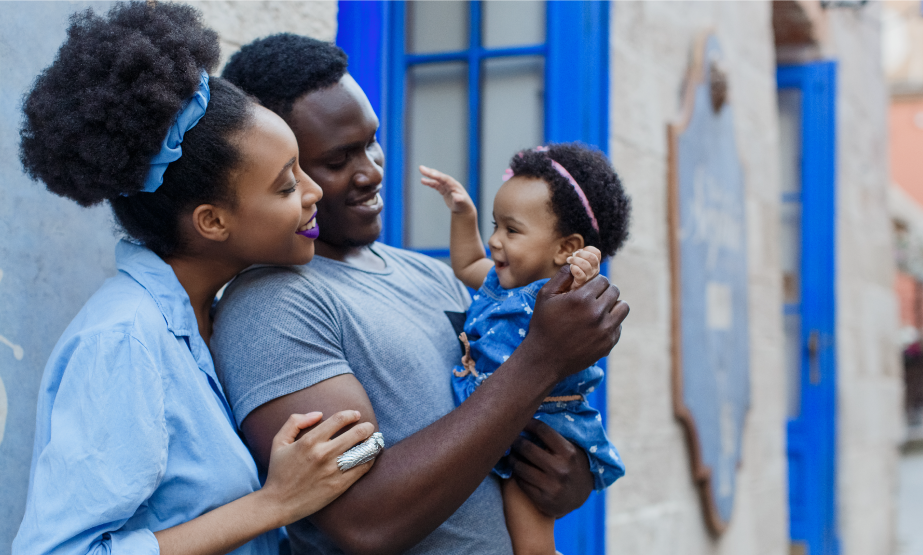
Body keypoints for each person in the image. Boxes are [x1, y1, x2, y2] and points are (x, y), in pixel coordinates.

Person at [211, 34, 630, 555]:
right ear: (285, 172)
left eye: (371, 142)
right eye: (339, 159)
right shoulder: (272, 305)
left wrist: (567, 478)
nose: (371, 171)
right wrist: (542, 358)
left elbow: (505, 418)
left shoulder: (428, 275)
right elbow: (365, 522)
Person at [13, 6, 375, 555]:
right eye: (284, 186)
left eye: (301, 168)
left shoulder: (216, 315)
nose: (313, 192)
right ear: (212, 221)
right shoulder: (124, 341)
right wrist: (275, 502)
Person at [419, 142, 632, 555]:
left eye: (511, 230)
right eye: (495, 226)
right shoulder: (502, 285)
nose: (495, 241)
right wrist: (464, 215)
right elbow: (465, 264)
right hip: (498, 413)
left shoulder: (554, 298)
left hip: (537, 432)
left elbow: (581, 303)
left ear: (565, 249)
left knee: (527, 525)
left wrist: (581, 274)